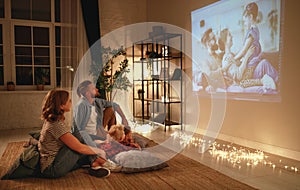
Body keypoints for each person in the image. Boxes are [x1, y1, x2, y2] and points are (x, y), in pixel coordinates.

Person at [38, 89, 110, 178]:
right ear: (61, 106)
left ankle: (94, 164)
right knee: (79, 139)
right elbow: (79, 148)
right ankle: (97, 162)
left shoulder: (53, 121)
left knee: (81, 141)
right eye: (69, 100)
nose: (71, 102)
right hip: (51, 169)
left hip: (58, 159)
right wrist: (100, 151)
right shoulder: (55, 125)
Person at [234, 2, 278, 89]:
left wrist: (234, 59)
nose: (245, 24)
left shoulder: (251, 32)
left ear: (250, 17)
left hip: (251, 64)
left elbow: (244, 50)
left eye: (245, 21)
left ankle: (263, 80)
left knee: (242, 83)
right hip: (253, 62)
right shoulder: (255, 30)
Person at [197, 27, 226, 92]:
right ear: (207, 43)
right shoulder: (204, 59)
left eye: (215, 38)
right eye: (213, 39)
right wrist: (223, 70)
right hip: (215, 89)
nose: (215, 40)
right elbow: (209, 75)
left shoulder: (218, 56)